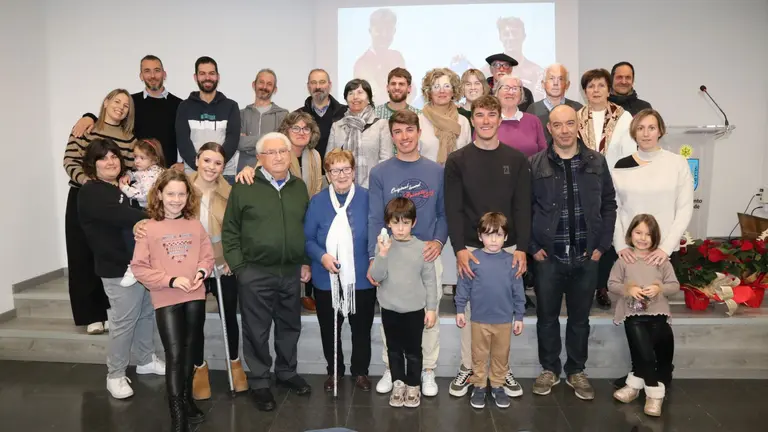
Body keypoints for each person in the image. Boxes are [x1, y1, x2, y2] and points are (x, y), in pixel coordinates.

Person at [444, 95, 530, 398]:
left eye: (491, 115)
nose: (485, 121)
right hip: (470, 249)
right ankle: (470, 367)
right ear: (472, 119)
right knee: (471, 312)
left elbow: (523, 207)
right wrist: (459, 249)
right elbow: (453, 208)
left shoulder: (516, 160)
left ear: (499, 119)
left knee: (503, 308)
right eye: (479, 115)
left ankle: (501, 370)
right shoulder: (457, 160)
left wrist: (521, 248)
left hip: (509, 248)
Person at [529, 104, 616, 401]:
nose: (564, 130)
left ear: (577, 125)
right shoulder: (534, 164)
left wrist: (602, 246)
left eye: (569, 123)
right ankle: (549, 369)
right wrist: (533, 247)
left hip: (586, 256)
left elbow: (609, 204)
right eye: (558, 125)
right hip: (548, 258)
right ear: (549, 129)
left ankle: (577, 370)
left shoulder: (596, 161)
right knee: (547, 318)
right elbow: (524, 208)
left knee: (580, 320)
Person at [222, 132, 312, 412]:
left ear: (290, 154)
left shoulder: (299, 187)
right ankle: (260, 381)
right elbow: (230, 229)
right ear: (259, 158)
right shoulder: (244, 186)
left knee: (289, 327)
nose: (278, 157)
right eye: (270, 152)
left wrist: (305, 261)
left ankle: (286, 372)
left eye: (282, 151)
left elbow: (305, 228)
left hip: (290, 271)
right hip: (255, 272)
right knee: (256, 330)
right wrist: (240, 268)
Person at [610, 109, 693, 390]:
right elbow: (615, 209)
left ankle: (661, 371)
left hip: (661, 253)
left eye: (652, 127)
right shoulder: (621, 166)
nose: (646, 133)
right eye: (641, 128)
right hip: (631, 252)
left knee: (657, 316)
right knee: (634, 313)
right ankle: (640, 371)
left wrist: (666, 248)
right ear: (633, 132)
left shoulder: (677, 163)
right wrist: (621, 245)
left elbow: (684, 208)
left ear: (661, 130)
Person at [77, 139, 165, 399]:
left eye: (114, 156)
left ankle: (146, 360)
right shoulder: (92, 191)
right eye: (103, 158)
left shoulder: (121, 187)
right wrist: (158, 217)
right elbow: (121, 216)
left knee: (145, 314)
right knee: (123, 322)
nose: (111, 162)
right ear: (93, 164)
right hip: (116, 268)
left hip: (139, 265)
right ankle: (115, 374)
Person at [368, 110, 447, 398]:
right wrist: (373, 257)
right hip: (390, 255)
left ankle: (427, 369)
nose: (404, 137)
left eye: (409, 130)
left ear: (418, 132)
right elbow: (374, 218)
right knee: (390, 317)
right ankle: (393, 369)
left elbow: (444, 213)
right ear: (392, 137)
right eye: (398, 131)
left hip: (426, 255)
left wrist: (438, 241)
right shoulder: (380, 173)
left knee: (428, 315)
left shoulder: (437, 171)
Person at [130, 170, 214, 430]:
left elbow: (207, 256)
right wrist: (171, 280)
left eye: (181, 194)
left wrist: (201, 272)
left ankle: (187, 400)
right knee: (175, 355)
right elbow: (139, 268)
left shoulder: (195, 225)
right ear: (159, 195)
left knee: (190, 351)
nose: (176, 199)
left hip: (195, 295)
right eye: (171, 194)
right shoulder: (148, 228)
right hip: (166, 297)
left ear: (188, 196)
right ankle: (177, 416)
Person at [63, 88, 138, 335]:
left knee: (108, 253)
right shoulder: (86, 129)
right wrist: (90, 184)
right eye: (116, 101)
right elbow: (70, 161)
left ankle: (108, 311)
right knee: (81, 255)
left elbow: (130, 167)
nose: (120, 107)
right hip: (83, 196)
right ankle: (91, 315)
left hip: (113, 200)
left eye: (126, 105)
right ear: (106, 102)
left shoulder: (129, 138)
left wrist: (125, 178)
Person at [235, 112, 325, 311]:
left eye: (306, 128)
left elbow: (317, 187)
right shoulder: (277, 153)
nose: (301, 132)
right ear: (286, 130)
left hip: (307, 212)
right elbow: (258, 170)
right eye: (296, 128)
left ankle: (306, 292)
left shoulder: (315, 156)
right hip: (282, 214)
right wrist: (248, 170)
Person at [304, 149, 375, 391]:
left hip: (361, 278)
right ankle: (334, 371)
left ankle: (360, 372)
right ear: (327, 174)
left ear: (354, 172)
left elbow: (377, 233)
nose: (341, 175)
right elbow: (308, 239)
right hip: (326, 279)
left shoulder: (368, 198)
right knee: (330, 330)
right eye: (335, 170)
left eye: (346, 169)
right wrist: (322, 256)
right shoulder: (318, 201)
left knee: (361, 329)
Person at [187, 143, 248, 400]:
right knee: (194, 319)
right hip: (191, 265)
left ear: (224, 167)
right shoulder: (181, 188)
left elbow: (238, 229)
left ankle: (234, 363)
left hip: (223, 263)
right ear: (197, 160)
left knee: (228, 316)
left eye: (218, 163)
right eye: (207, 160)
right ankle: (199, 367)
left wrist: (232, 259)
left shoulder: (230, 192)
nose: (211, 167)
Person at [608, 214, 680, 417]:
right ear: (630, 234)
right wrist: (628, 289)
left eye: (648, 234)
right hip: (633, 315)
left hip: (657, 314)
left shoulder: (661, 260)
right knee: (646, 355)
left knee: (652, 353)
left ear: (655, 237)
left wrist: (659, 288)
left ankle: (634, 385)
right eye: (638, 232)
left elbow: (674, 285)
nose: (642, 238)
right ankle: (654, 394)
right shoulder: (624, 260)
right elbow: (612, 284)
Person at [369, 197, 438, 409]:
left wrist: (431, 308)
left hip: (414, 310)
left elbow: (430, 281)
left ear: (413, 223)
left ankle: (414, 385)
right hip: (389, 309)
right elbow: (376, 276)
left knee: (414, 351)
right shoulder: (383, 246)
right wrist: (382, 253)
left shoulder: (422, 248)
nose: (400, 228)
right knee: (393, 350)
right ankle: (398, 383)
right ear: (388, 223)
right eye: (395, 222)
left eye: (405, 223)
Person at [455, 212, 525, 410]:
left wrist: (519, 316)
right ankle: (479, 385)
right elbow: (463, 286)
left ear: (506, 237)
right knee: (479, 355)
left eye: (498, 235)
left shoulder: (512, 261)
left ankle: (497, 385)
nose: (493, 240)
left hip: (504, 321)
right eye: (488, 234)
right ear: (480, 236)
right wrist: (460, 309)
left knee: (500, 355)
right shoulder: (473, 259)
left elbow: (518, 291)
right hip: (479, 320)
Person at [577, 68, 634, 309]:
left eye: (601, 85)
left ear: (609, 89)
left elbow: (628, 153)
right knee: (585, 234)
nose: (596, 90)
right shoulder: (577, 117)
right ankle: (584, 285)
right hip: (583, 185)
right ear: (585, 91)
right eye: (591, 86)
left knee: (608, 234)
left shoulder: (623, 117)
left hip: (614, 184)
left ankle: (602, 286)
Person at [70, 55, 183, 169]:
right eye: (147, 71)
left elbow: (187, 137)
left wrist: (184, 164)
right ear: (141, 76)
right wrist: (89, 117)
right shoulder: (130, 102)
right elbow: (111, 119)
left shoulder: (180, 105)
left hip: (167, 171)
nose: (152, 75)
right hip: (134, 172)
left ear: (164, 74)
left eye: (157, 70)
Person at [176, 56, 241, 182]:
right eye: (202, 74)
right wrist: (199, 166)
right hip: (194, 173)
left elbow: (233, 140)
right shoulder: (184, 107)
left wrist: (217, 165)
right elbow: (183, 142)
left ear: (218, 77)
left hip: (225, 174)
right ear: (195, 77)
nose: (207, 77)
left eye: (211, 73)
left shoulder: (231, 106)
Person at [326, 79, 393, 187]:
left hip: (372, 188)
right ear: (346, 99)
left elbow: (386, 162)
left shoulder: (381, 125)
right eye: (350, 93)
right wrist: (341, 184)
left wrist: (365, 188)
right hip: (341, 188)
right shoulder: (337, 126)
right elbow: (328, 161)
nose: (355, 97)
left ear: (369, 98)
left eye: (360, 92)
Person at [119, 138, 165, 287]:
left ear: (154, 159)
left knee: (134, 234)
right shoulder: (149, 170)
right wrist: (128, 175)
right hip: (149, 209)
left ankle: (135, 266)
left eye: (142, 158)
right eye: (135, 157)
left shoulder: (152, 175)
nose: (137, 161)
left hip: (152, 211)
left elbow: (142, 195)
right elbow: (135, 174)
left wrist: (124, 188)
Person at [237, 69, 289, 171]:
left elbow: (281, 145)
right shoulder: (241, 114)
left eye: (269, 84)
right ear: (254, 85)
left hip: (274, 172)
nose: (264, 87)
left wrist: (249, 141)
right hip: (244, 172)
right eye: (261, 82)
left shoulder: (283, 115)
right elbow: (239, 143)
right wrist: (270, 137)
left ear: (275, 89)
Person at [418, 68, 472, 164]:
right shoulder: (419, 121)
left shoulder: (463, 121)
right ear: (429, 92)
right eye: (436, 87)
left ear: (453, 91)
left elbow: (468, 157)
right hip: (427, 172)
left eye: (447, 86)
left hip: (457, 173)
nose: (442, 91)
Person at [353, 8, 406, 104]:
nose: (384, 35)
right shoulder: (362, 64)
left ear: (394, 31)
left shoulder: (397, 57)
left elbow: (411, 90)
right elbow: (376, 97)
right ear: (370, 31)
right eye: (379, 30)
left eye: (388, 30)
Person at [298, 69, 347, 164]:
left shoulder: (345, 113)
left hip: (337, 170)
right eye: (313, 82)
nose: (318, 87)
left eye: (322, 82)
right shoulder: (298, 116)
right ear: (308, 86)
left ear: (330, 85)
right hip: (306, 170)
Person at [492, 74, 547, 157]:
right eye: (506, 88)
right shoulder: (488, 121)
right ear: (497, 92)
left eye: (515, 89)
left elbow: (543, 155)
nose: (511, 92)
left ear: (521, 94)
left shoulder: (533, 121)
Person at [526, 64, 583, 142]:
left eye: (560, 79)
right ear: (543, 84)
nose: (556, 83)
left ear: (567, 85)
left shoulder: (577, 108)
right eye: (551, 78)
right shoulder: (533, 109)